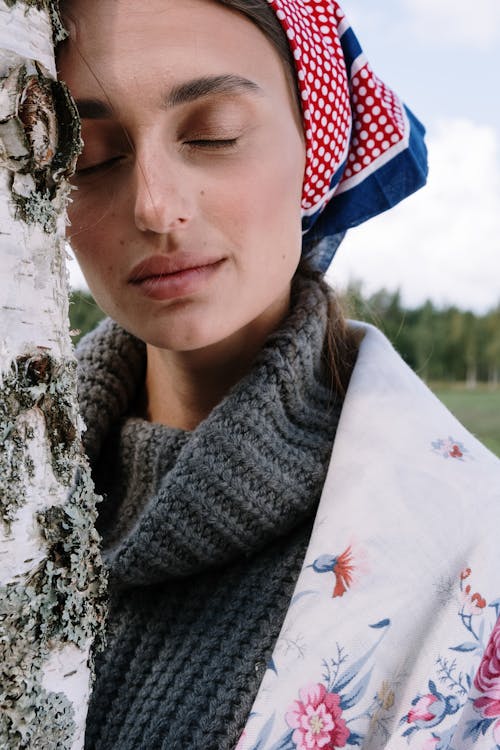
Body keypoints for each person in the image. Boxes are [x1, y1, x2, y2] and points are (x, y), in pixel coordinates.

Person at [57, 1, 500, 749]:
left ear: (316, 145)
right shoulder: (28, 483)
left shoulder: (471, 552)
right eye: (94, 155)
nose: (156, 207)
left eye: (214, 134)